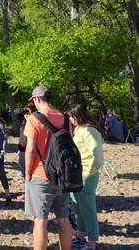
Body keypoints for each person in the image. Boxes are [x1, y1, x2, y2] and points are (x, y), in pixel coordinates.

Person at [24, 86, 72, 250]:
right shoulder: (65, 118)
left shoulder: (33, 119)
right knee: (64, 220)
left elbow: (30, 149)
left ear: (36, 99)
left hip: (41, 174)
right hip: (63, 175)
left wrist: (27, 173)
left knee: (40, 220)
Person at [68, 104, 104, 250]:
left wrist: (87, 174)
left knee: (88, 209)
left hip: (86, 176)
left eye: (71, 117)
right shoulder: (79, 130)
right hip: (76, 175)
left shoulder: (90, 131)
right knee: (77, 206)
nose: (69, 120)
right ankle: (80, 236)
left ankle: (92, 243)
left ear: (77, 116)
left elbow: (97, 158)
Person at [16, 103, 37, 201]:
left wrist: (31, 112)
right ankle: (27, 193)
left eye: (28, 113)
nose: (26, 115)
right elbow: (16, 112)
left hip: (31, 152)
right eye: (24, 113)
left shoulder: (35, 123)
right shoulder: (24, 122)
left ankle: (32, 194)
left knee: (31, 174)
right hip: (22, 151)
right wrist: (25, 109)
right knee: (25, 174)